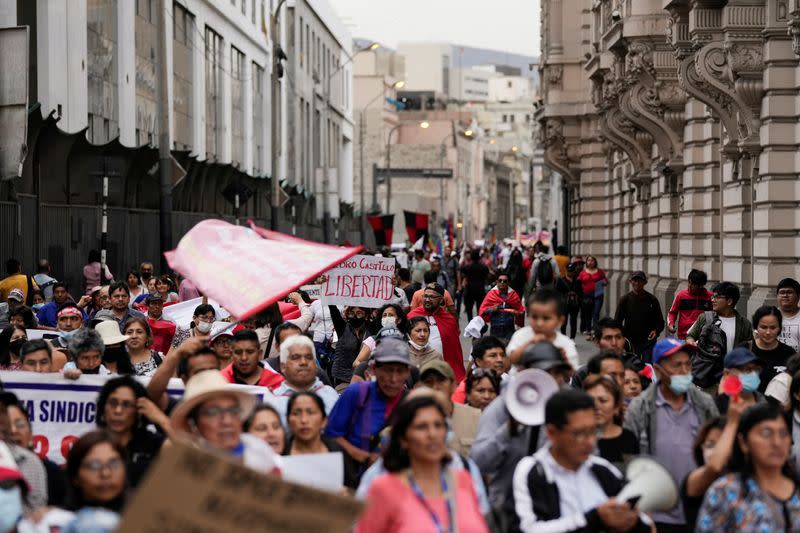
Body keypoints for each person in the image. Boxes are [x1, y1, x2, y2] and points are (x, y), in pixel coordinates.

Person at [512, 389, 652, 533]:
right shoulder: (533, 472)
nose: (590, 442)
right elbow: (529, 529)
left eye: (593, 431)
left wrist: (631, 521)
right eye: (579, 434)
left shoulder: (603, 470)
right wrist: (595, 518)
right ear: (552, 433)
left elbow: (645, 522)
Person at [355, 394, 489, 533]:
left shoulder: (464, 479)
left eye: (438, 425)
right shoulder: (384, 489)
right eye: (421, 427)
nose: (432, 434)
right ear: (403, 439)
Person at [624, 337, 719, 530]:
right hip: (656, 515)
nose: (684, 371)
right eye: (677, 366)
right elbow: (629, 459)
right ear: (658, 370)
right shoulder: (640, 408)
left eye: (687, 364)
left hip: (699, 511)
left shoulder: (704, 404)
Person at [471, 342, 574, 520]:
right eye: (546, 373)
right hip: (508, 512)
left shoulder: (569, 407)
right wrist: (508, 429)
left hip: (556, 510)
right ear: (525, 374)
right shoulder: (502, 406)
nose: (553, 380)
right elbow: (478, 461)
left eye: (558, 373)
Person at [696, 402, 800, 531]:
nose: (777, 442)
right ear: (743, 442)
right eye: (766, 433)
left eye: (783, 434)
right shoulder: (725, 491)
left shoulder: (796, 490)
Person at [325, 338, 411, 473]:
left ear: (408, 372)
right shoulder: (356, 394)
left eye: (400, 371)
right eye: (388, 371)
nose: (394, 379)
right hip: (356, 475)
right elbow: (331, 434)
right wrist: (362, 456)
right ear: (374, 370)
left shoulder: (411, 403)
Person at [170, 369, 281, 473]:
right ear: (192, 424)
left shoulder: (260, 451)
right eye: (213, 412)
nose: (227, 421)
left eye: (233, 410)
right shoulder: (182, 468)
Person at [95, 376, 166, 487]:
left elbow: (189, 458)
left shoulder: (154, 444)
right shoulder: (91, 444)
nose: (118, 411)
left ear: (139, 410)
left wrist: (161, 419)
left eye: (127, 405)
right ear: (103, 408)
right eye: (113, 403)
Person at [682, 404, 745, 529]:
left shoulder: (746, 481)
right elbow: (715, 466)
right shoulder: (693, 480)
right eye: (710, 444)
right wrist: (732, 423)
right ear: (701, 448)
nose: (716, 451)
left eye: (723, 443)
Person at [686, 281, 754, 390]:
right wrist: (691, 343)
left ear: (729, 301)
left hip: (733, 378)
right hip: (708, 376)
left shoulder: (744, 324)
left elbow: (749, 350)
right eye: (713, 296)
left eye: (717, 297)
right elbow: (690, 335)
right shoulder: (705, 318)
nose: (712, 300)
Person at [284, 391, 357, 488]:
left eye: (311, 412)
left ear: (324, 421)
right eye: (296, 413)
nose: (304, 420)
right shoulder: (280, 453)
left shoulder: (338, 452)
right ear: (288, 420)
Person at [419, 360, 481, 456]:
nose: (435, 387)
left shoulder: (476, 417)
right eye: (428, 382)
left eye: (441, 380)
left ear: (454, 386)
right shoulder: (411, 419)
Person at [505, 288, 579, 369]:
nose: (539, 323)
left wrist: (563, 359)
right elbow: (510, 359)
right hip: (522, 380)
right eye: (534, 317)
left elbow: (572, 372)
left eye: (546, 318)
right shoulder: (521, 335)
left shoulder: (565, 343)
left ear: (560, 320)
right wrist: (529, 343)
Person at [408, 283, 465, 382]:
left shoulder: (449, 320)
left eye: (432, 297)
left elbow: (454, 351)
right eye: (425, 296)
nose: (427, 299)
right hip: (416, 367)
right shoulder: (412, 316)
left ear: (441, 300)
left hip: (440, 369)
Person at [271, 335, 338, 419]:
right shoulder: (272, 401)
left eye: (309, 357)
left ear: (315, 364)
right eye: (295, 357)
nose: (303, 362)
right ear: (283, 366)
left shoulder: (330, 395)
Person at [65, 430, 127, 513]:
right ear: (75, 476)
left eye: (114, 464)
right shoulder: (57, 521)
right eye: (94, 466)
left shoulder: (144, 513)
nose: (105, 473)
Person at [583, 375, 638, 466]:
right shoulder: (579, 441)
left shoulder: (629, 438)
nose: (596, 406)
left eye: (603, 400)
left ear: (616, 406)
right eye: (590, 401)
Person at [614, 271, 664, 361]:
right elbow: (617, 321)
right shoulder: (625, 300)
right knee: (632, 366)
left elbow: (660, 321)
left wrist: (656, 331)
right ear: (630, 282)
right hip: (630, 341)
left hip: (648, 340)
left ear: (645, 282)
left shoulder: (652, 300)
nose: (637, 283)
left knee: (647, 366)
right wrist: (622, 337)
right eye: (635, 280)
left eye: (640, 281)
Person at [750, 305, 795, 393]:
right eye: (763, 327)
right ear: (756, 327)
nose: (768, 332)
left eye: (773, 328)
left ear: (779, 328)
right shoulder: (744, 349)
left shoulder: (789, 353)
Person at [452, 335, 506, 404]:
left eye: (502, 355)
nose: (500, 360)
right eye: (493, 356)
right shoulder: (464, 389)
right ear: (479, 361)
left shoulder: (509, 382)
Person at [329, 304, 372, 387]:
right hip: (342, 377)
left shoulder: (371, 329)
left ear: (366, 315)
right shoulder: (342, 327)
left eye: (359, 313)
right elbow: (333, 311)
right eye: (352, 313)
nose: (355, 316)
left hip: (364, 376)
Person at [478, 270, 525, 341]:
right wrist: (492, 309)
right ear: (497, 282)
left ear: (508, 283)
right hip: (495, 331)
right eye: (500, 280)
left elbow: (521, 311)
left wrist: (517, 313)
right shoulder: (491, 294)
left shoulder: (513, 295)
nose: (502, 283)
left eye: (505, 281)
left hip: (509, 331)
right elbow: (483, 311)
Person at [667, 269, 712, 340]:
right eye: (689, 282)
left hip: (702, 337)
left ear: (701, 285)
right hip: (683, 336)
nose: (689, 286)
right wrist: (671, 324)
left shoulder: (709, 297)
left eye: (693, 284)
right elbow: (672, 313)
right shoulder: (681, 295)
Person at [577, 255, 607, 334]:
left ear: (595, 262)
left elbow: (605, 280)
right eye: (589, 260)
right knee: (588, 313)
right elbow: (578, 283)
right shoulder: (582, 273)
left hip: (598, 294)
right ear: (586, 262)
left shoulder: (600, 271)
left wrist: (603, 282)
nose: (590, 262)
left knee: (596, 312)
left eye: (592, 260)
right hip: (587, 295)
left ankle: (595, 329)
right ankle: (588, 329)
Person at [555, 262, 583, 339]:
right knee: (564, 321)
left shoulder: (577, 280)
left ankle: (572, 338)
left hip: (575, 303)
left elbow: (581, 292)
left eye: (572, 271)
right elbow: (557, 292)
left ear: (574, 271)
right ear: (566, 270)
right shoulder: (561, 280)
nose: (570, 272)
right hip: (564, 303)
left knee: (573, 321)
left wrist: (580, 301)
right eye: (569, 271)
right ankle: (563, 337)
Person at [460, 250, 490, 321]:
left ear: (471, 257)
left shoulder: (467, 267)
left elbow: (462, 272)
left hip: (470, 290)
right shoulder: (484, 267)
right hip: (480, 289)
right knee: (480, 309)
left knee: (469, 309)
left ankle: (470, 323)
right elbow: (486, 276)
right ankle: (479, 323)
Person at [776, 277, 800, 351]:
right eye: (782, 292)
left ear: (798, 296)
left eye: (789, 292)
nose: (785, 296)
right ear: (777, 296)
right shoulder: (769, 315)